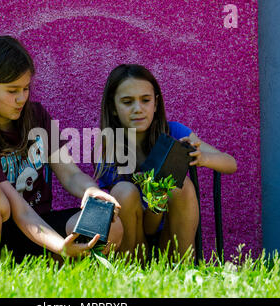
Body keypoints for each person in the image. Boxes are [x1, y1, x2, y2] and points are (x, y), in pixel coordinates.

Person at [0, 35, 123, 263]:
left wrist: (90, 190)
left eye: (25, 88)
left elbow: (71, 174)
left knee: (106, 224)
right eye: (12, 90)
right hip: (1, 235)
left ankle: (64, 274)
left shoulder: (37, 117)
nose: (21, 98)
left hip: (41, 227)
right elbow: (21, 212)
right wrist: (60, 247)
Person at [94, 64, 237, 259]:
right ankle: (130, 272)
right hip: (133, 238)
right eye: (127, 102)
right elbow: (146, 227)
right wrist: (157, 193)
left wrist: (203, 158)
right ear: (113, 108)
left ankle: (182, 269)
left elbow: (230, 163)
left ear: (156, 103)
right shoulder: (107, 148)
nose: (138, 109)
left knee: (181, 186)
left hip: (170, 235)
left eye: (145, 100)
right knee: (123, 191)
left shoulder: (174, 132)